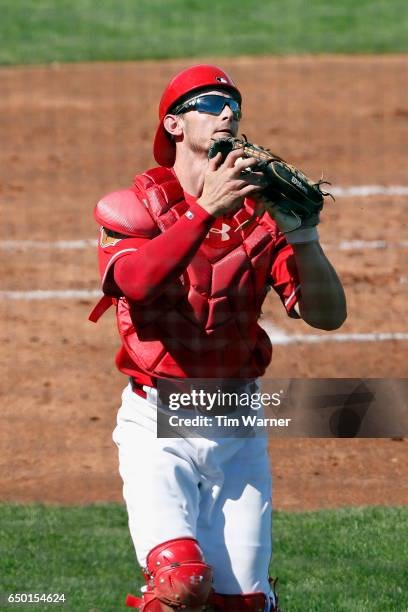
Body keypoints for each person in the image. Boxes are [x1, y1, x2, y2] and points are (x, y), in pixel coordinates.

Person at [90, 64, 347, 611]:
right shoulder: (135, 207)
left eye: (233, 103)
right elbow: (134, 281)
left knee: (241, 604)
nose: (227, 111)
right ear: (173, 125)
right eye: (208, 102)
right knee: (180, 587)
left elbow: (327, 316)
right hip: (157, 422)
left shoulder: (262, 215)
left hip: (237, 421)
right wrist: (206, 210)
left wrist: (303, 236)